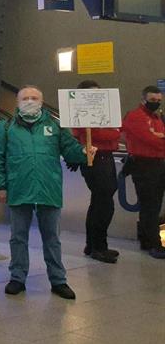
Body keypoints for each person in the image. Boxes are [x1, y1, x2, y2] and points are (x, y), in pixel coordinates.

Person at [0, 85, 93, 300]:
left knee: (52, 237)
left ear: (42, 101)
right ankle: (17, 277)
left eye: (34, 98)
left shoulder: (55, 125)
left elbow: (70, 150)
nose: (29, 101)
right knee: (18, 237)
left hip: (48, 188)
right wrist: (1, 185)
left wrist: (84, 153)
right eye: (25, 98)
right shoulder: (6, 127)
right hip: (19, 188)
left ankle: (58, 280)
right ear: (18, 102)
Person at [70, 80, 121, 264]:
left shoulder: (102, 113)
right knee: (103, 204)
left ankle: (93, 244)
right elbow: (102, 134)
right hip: (95, 158)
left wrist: (112, 132)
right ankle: (98, 247)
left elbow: (115, 131)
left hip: (105, 157)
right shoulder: (81, 115)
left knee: (99, 203)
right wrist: (112, 132)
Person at [122, 85, 165, 259]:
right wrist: (159, 137)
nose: (156, 102)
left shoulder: (156, 118)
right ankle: (153, 243)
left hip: (158, 164)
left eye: (159, 100)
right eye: (152, 100)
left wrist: (158, 137)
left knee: (154, 205)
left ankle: (149, 241)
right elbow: (151, 140)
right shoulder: (135, 117)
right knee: (150, 206)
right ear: (143, 99)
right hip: (144, 166)